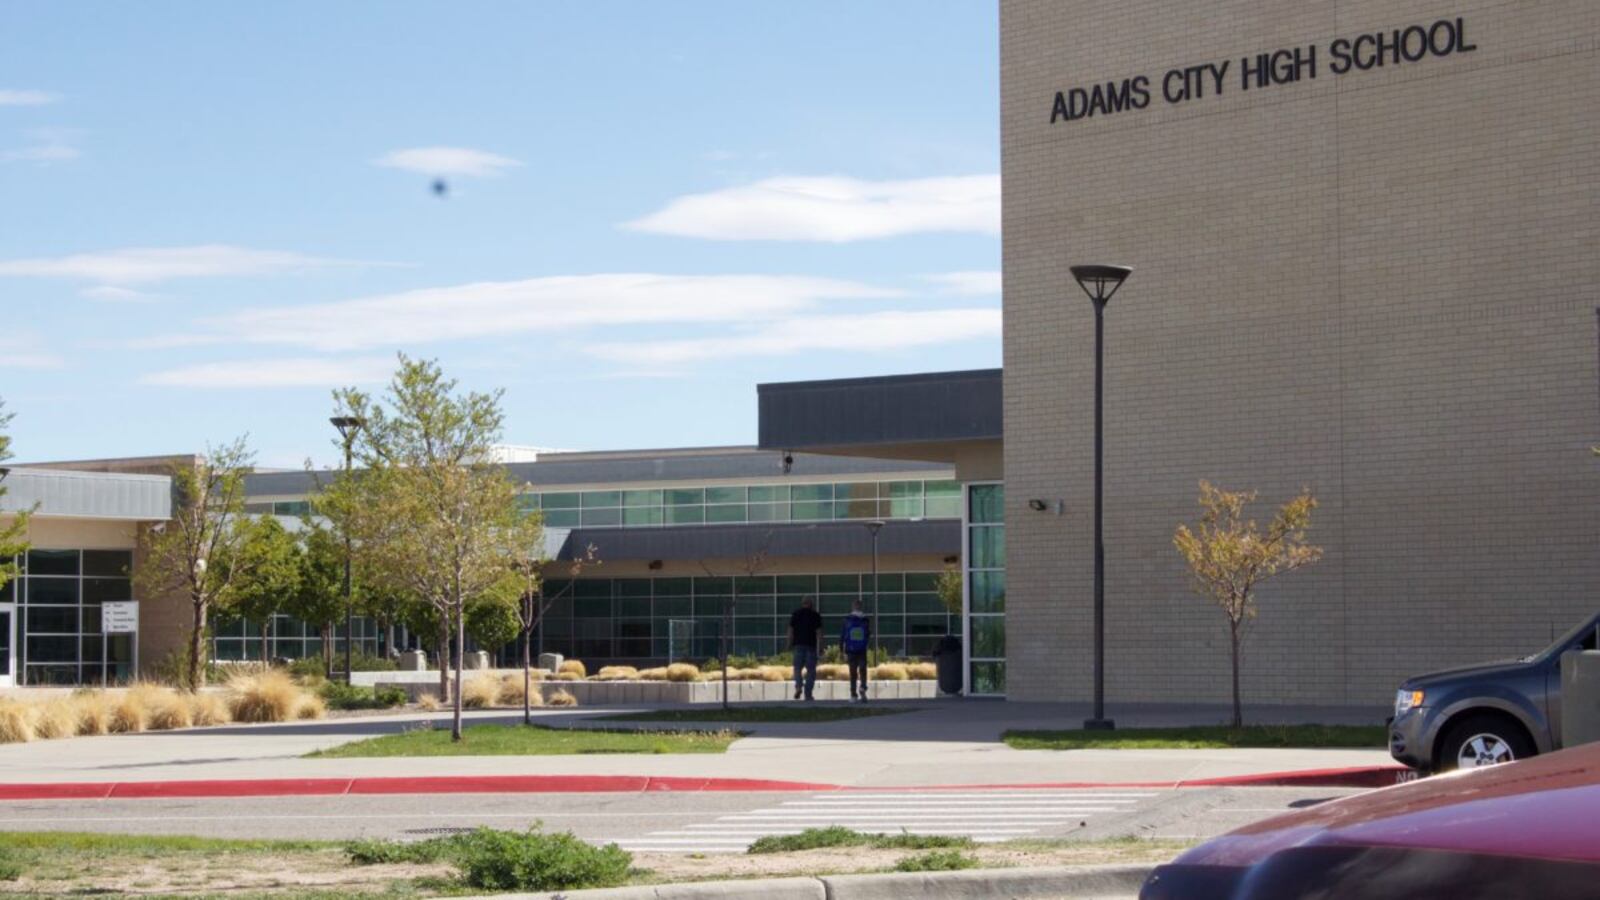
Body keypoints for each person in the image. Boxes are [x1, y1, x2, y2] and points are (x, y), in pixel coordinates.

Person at [787, 596, 822, 701]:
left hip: (798, 646)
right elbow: (819, 633)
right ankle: (808, 694)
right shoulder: (815, 615)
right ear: (811, 604)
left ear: (802, 603)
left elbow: (790, 631)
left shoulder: (796, 614)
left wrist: (789, 643)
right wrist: (821, 646)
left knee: (797, 668)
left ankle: (798, 686)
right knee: (811, 671)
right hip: (811, 646)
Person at [841, 599, 872, 702]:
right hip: (862, 649)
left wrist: (842, 649)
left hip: (851, 649)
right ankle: (863, 687)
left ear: (852, 607)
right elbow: (867, 634)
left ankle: (853, 695)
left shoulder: (847, 619)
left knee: (853, 672)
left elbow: (843, 635)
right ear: (860, 607)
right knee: (863, 670)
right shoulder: (865, 619)